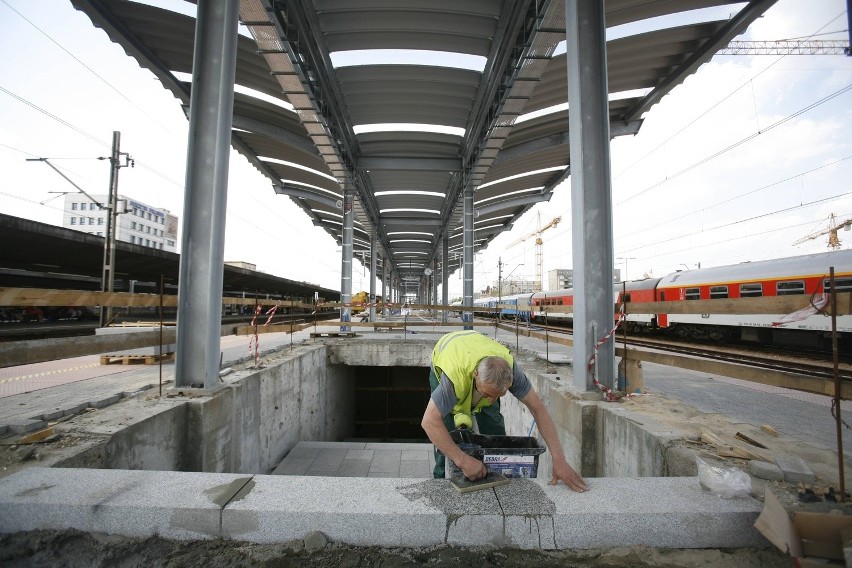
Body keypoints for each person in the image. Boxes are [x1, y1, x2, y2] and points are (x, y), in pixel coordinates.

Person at [421, 329, 589, 492]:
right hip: (447, 355)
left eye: (498, 396)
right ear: (475, 374)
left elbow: (538, 409)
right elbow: (429, 422)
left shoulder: (510, 371)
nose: (491, 401)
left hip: (478, 354)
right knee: (447, 435)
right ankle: (441, 483)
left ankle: (495, 475)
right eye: (487, 394)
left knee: (494, 428)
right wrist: (463, 460)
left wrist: (559, 459)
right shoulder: (453, 378)